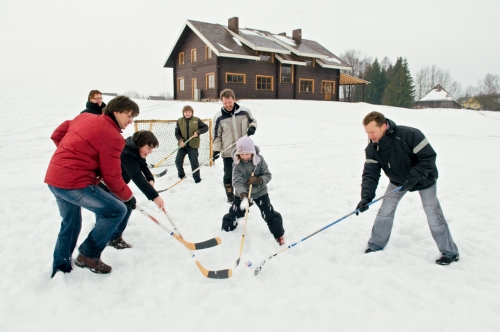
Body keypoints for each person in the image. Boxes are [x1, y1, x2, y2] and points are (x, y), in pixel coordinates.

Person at [45, 96, 139, 277]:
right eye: (129, 116)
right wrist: (128, 197)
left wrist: (70, 155)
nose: (130, 121)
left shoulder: (84, 117)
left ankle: (61, 267)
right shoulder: (113, 137)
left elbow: (57, 134)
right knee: (117, 210)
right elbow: (112, 177)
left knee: (70, 223)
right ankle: (88, 255)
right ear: (116, 112)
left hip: (54, 178)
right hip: (74, 183)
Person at [356, 111, 459, 265]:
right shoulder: (373, 149)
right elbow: (370, 174)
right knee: (385, 210)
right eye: (367, 132)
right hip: (398, 181)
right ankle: (376, 244)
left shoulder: (410, 135)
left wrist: (413, 177)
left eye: (373, 131)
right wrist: (366, 197)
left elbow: (428, 157)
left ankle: (449, 253)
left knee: (432, 213)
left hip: (424, 179)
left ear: (383, 126)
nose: (370, 136)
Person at [99, 130, 166, 249]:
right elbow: (137, 176)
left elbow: (143, 165)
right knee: (125, 206)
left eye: (152, 149)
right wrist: (154, 196)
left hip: (116, 184)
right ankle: (113, 238)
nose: (150, 152)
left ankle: (107, 233)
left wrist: (150, 179)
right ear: (140, 144)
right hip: (105, 184)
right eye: (148, 148)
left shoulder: (135, 149)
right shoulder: (127, 152)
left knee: (123, 207)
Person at [221, 136, 285, 245]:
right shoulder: (236, 163)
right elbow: (237, 180)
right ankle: (227, 229)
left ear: (252, 152)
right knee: (236, 211)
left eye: (247, 154)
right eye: (242, 154)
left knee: (268, 213)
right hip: (242, 194)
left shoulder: (259, 160)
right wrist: (242, 194)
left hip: (260, 192)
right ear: (238, 154)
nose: (245, 157)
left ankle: (278, 234)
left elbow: (268, 175)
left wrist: (259, 180)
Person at [212, 89, 258, 203]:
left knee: (245, 174)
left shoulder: (245, 111)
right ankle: (230, 196)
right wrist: (216, 150)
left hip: (244, 152)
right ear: (222, 102)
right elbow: (217, 136)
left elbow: (253, 121)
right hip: (228, 152)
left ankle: (245, 195)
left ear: (234, 99)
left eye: (230, 102)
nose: (228, 105)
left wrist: (252, 127)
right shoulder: (218, 117)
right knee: (228, 175)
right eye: (225, 103)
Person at [175, 105, 209, 183]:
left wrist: (198, 132)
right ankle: (181, 175)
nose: (187, 113)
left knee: (194, 162)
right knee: (178, 161)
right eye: (185, 112)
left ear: (192, 112)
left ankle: (197, 179)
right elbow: (177, 133)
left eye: (189, 112)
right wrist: (180, 141)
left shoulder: (196, 120)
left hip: (193, 145)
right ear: (183, 113)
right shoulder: (179, 121)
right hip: (183, 145)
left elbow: (205, 127)